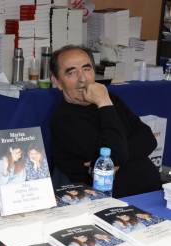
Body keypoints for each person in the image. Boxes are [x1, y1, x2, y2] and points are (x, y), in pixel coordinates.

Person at [50, 45, 161, 198]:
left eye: (86, 69)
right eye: (71, 72)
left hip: (154, 192)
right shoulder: (63, 120)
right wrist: (103, 103)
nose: (82, 79)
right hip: (113, 202)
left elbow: (148, 139)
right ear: (57, 81)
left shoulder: (110, 99)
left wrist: (117, 159)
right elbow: (114, 155)